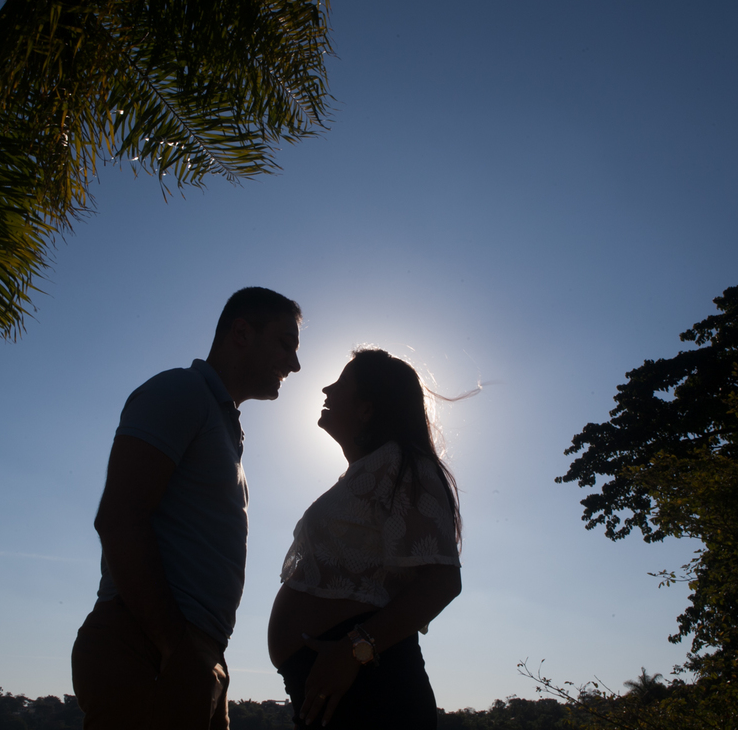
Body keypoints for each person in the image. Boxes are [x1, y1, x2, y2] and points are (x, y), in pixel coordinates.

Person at [72, 287, 302, 730]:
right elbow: (119, 516)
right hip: (148, 645)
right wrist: (174, 647)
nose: (294, 364)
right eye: (285, 343)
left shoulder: (224, 426)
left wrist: (202, 658)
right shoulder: (180, 391)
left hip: (193, 651)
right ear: (241, 332)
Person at [268, 348, 463, 729]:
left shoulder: (403, 466)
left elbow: (441, 582)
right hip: (334, 686)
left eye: (340, 383)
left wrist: (354, 650)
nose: (325, 389)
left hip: (370, 688)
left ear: (366, 409)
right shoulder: (364, 474)